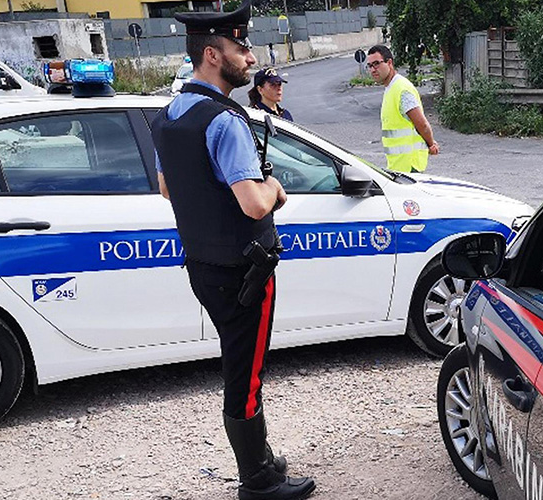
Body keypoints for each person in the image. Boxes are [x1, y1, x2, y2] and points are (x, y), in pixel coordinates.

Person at [149, 2, 315, 499]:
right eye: (240, 47)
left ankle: (261, 459)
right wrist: (274, 187)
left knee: (241, 363)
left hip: (202, 264)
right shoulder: (224, 121)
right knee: (245, 373)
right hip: (245, 271)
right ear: (210, 54)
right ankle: (258, 482)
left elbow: (167, 189)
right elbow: (253, 204)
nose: (249, 55)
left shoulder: (168, 116)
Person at [365, 44, 439, 173]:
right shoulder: (391, 88)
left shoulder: (402, 89)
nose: (373, 69)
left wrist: (431, 144)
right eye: (370, 66)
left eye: (376, 64)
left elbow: (422, 124)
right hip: (399, 166)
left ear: (389, 63)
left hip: (409, 166)